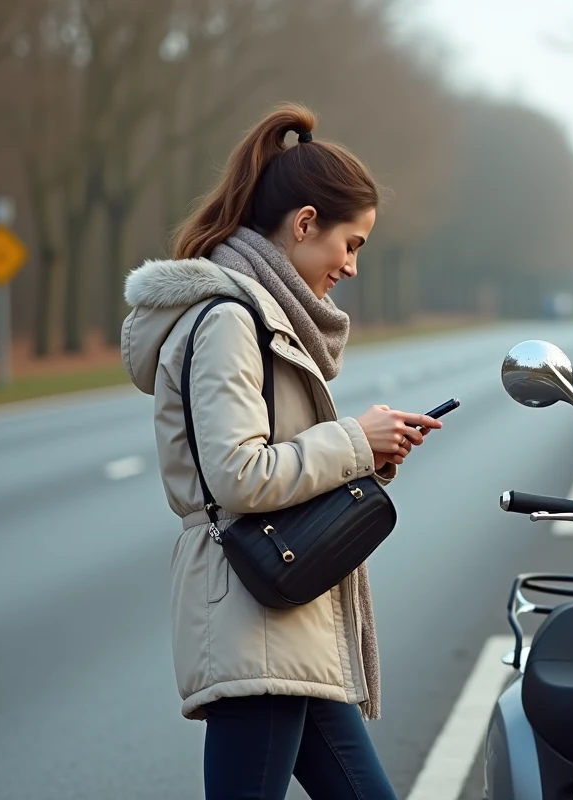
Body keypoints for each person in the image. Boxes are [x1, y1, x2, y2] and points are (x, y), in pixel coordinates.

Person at [119, 102, 441, 799]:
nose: (352, 266)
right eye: (349, 244)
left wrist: (368, 454)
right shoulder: (232, 320)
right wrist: (355, 439)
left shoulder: (257, 315)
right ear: (303, 225)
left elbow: (272, 459)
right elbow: (238, 475)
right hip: (252, 607)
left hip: (286, 611)